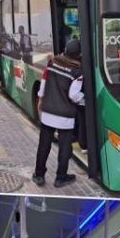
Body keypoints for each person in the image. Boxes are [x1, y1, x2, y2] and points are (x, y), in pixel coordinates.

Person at [33, 39, 84, 188]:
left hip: (48, 112)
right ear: (78, 54)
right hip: (65, 116)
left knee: (44, 145)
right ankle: (61, 178)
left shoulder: (52, 63)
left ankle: (39, 175)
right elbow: (74, 95)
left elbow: (43, 84)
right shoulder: (77, 71)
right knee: (64, 147)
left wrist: (41, 100)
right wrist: (84, 101)